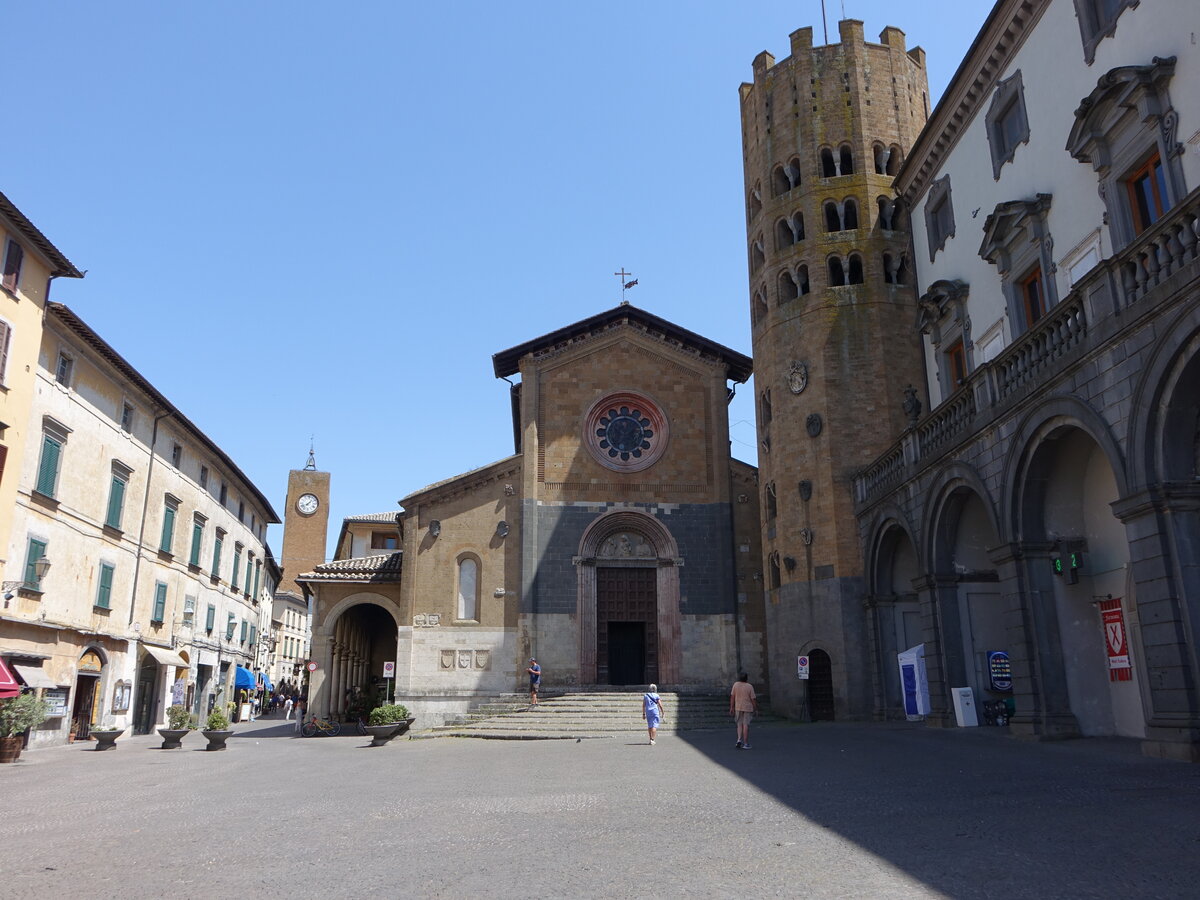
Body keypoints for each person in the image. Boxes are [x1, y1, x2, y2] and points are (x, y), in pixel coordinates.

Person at [730, 672, 758, 749]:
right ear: (746, 678)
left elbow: (732, 697)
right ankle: (746, 743)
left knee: (739, 724)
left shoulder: (735, 685)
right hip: (747, 708)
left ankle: (739, 740)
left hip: (738, 707)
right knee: (745, 725)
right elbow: (753, 699)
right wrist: (755, 709)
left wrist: (731, 707)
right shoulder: (749, 686)